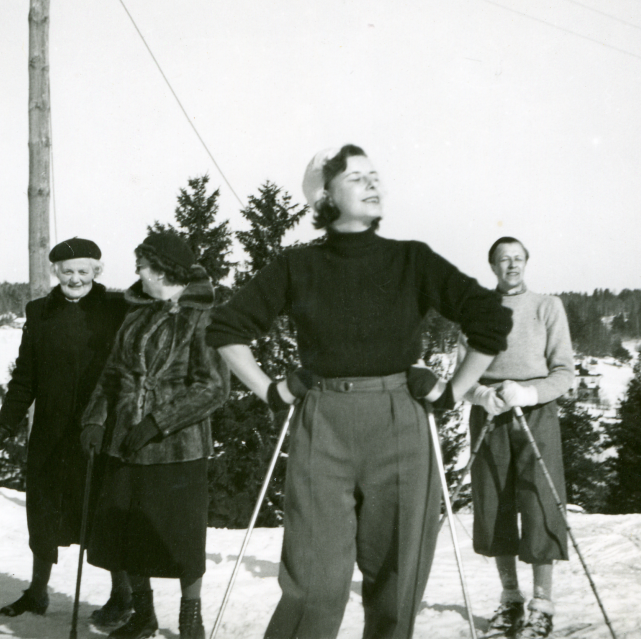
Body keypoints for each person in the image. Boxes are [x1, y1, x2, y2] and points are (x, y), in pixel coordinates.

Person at [205, 144, 513, 639]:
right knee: (314, 582)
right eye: (355, 178)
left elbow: (491, 320)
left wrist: (454, 392)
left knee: (397, 577)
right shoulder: (295, 265)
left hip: (400, 423)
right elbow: (226, 329)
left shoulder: (411, 259)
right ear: (325, 196)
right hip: (322, 422)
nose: (373, 184)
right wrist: (270, 391)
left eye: (375, 175)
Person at [79, 232, 230, 639]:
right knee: (128, 535)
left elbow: (213, 387)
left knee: (180, 540)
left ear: (163, 271)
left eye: (142, 266)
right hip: (125, 445)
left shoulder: (203, 316)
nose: (137, 273)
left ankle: (190, 620)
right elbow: (113, 373)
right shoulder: (138, 313)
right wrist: (94, 421)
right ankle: (143, 616)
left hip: (177, 449)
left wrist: (157, 423)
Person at [0, 237, 133, 628]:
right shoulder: (40, 312)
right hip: (51, 432)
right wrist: (6, 422)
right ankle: (37, 591)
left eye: (84, 271)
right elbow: (25, 377)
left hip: (101, 428)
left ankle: (123, 595)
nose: (75, 278)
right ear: (55, 272)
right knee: (45, 511)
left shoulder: (117, 308)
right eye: (67, 271)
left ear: (97, 271)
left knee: (104, 512)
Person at [462, 237, 573, 639]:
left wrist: (528, 393)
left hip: (535, 410)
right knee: (494, 503)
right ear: (492, 266)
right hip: (490, 412)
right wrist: (481, 395)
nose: (512, 265)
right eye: (503, 259)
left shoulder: (548, 307)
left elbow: (564, 372)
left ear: (526, 263)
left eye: (518, 258)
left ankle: (541, 603)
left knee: (541, 500)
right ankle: (510, 599)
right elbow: (463, 375)